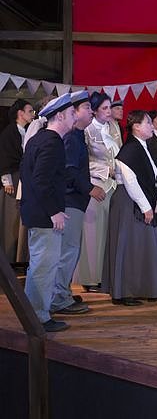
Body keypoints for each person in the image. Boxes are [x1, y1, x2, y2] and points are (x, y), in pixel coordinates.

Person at [102, 110, 157, 306]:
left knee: (147, 246)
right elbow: (131, 181)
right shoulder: (129, 150)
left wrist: (155, 199)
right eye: (147, 123)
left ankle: (152, 289)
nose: (152, 126)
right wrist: (146, 207)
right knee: (129, 247)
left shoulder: (143, 147)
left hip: (142, 200)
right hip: (128, 202)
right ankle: (124, 292)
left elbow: (150, 177)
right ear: (136, 127)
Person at [20, 93, 77, 332]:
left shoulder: (40, 139)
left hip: (37, 213)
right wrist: (54, 212)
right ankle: (37, 318)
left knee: (40, 266)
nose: (75, 117)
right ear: (60, 116)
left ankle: (34, 314)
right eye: (72, 113)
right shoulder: (52, 142)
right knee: (44, 268)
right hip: (44, 216)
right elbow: (41, 180)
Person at [50, 91, 105, 317]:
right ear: (74, 112)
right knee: (67, 251)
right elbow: (69, 170)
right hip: (70, 200)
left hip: (75, 200)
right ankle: (59, 299)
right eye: (87, 108)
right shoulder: (72, 137)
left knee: (70, 250)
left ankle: (62, 293)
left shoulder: (78, 136)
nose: (91, 111)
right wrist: (90, 188)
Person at [77, 92, 119, 292]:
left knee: (108, 233)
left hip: (113, 186)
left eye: (110, 107)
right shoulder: (87, 130)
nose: (109, 112)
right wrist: (105, 170)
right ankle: (90, 279)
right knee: (93, 234)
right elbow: (83, 162)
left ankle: (105, 275)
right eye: (104, 108)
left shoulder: (113, 127)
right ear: (94, 111)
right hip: (96, 186)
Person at [0, 99, 34, 263]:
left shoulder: (27, 131)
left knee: (20, 217)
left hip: (23, 178)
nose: (32, 114)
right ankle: (9, 258)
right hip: (12, 179)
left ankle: (20, 257)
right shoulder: (9, 133)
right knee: (11, 217)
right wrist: (6, 180)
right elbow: (4, 156)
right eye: (30, 111)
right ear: (20, 113)